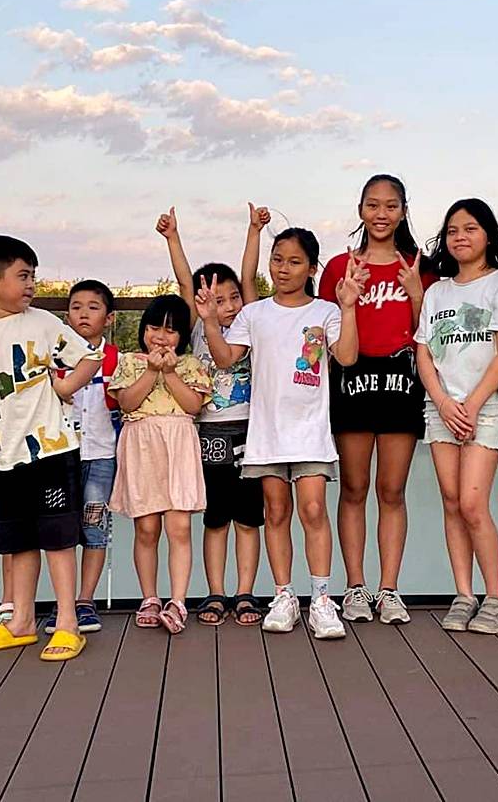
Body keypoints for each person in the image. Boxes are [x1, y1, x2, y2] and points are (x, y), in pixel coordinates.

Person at [0, 235, 103, 662]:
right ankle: (22, 621)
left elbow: (89, 356)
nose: (31, 284)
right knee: (18, 540)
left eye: (33, 276)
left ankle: (67, 622)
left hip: (52, 449)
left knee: (59, 538)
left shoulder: (43, 322)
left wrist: (65, 386)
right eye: (23, 275)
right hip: (2, 455)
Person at [198, 226, 363, 639]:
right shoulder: (254, 314)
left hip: (310, 431)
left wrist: (348, 307)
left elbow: (347, 356)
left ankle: (321, 600)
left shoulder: (325, 311)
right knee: (275, 512)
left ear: (311, 268)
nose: (283, 269)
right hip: (267, 433)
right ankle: (284, 596)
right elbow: (225, 359)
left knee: (313, 509)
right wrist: (211, 322)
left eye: (294, 261)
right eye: (277, 259)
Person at [321, 174, 432, 625]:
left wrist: (417, 294)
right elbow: (324, 333)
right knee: (353, 487)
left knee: (392, 489)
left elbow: (431, 335)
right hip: (352, 377)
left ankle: (389, 589)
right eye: (373, 204)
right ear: (360, 210)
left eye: (390, 205)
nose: (381, 214)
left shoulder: (419, 265)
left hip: (402, 378)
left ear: (403, 211)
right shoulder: (339, 267)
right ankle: (355, 586)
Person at [415, 199, 498, 636]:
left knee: (472, 503)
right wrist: (443, 402)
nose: (460, 236)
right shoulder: (437, 293)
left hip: (486, 407)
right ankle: (464, 594)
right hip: (442, 407)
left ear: (488, 234)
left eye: (470, 228)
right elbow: (424, 353)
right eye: (452, 230)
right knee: (451, 501)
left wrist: (474, 403)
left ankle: (497, 598)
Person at [158, 204, 266, 626]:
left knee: (249, 519)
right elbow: (186, 283)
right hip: (208, 433)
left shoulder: (251, 324)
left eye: (233, 297)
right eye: (218, 299)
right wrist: (173, 238)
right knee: (216, 517)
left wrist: (253, 232)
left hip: (251, 431)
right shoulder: (199, 328)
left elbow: (250, 277)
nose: (230, 305)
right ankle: (216, 592)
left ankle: (245, 593)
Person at [109, 295, 211, 633]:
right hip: (142, 446)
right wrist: (152, 370)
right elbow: (127, 402)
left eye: (170, 330)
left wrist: (169, 373)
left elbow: (193, 405)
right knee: (147, 528)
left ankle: (178, 601)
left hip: (179, 445)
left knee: (179, 527)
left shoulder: (190, 364)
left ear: (182, 335)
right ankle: (150, 597)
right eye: (154, 328)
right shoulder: (129, 361)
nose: (160, 337)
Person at [66, 279, 121, 634]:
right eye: (76, 307)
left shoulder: (119, 360)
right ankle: (62, 602)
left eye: (93, 307)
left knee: (94, 527)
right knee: (60, 531)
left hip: (102, 455)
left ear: (109, 318)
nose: (83, 314)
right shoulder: (55, 357)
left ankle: (85, 600)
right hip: (62, 454)